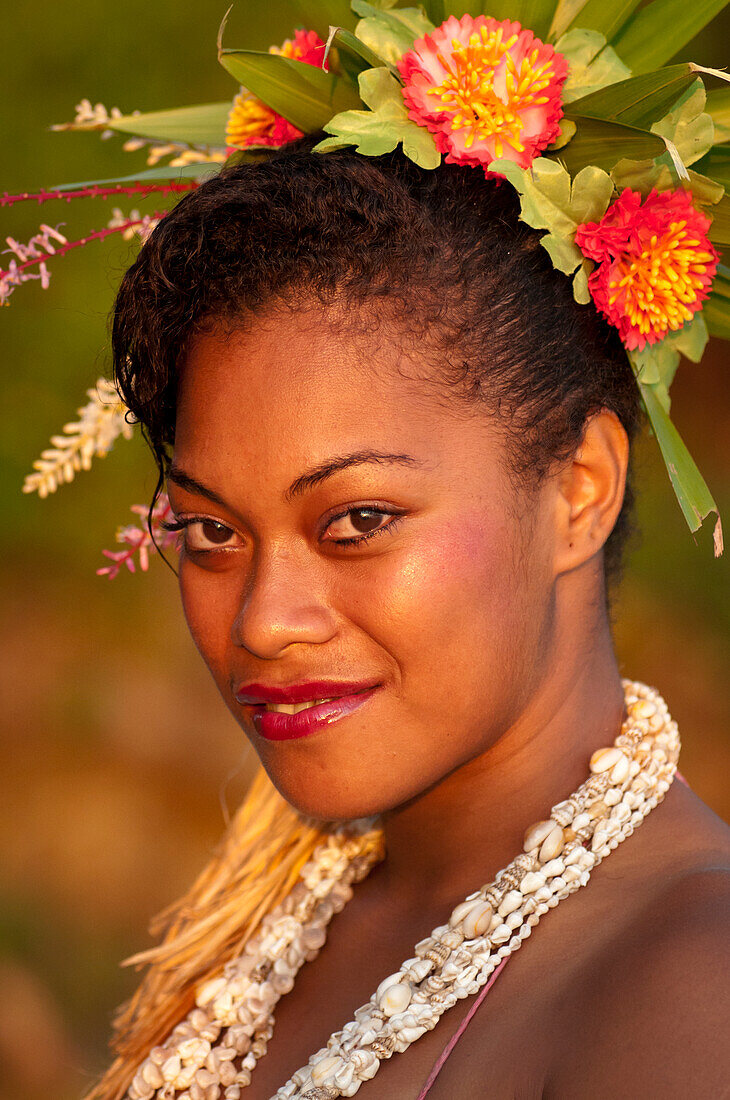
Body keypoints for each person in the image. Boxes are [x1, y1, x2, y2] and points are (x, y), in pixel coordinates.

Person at [83, 141, 730, 1100]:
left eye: (358, 521)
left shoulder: (690, 989)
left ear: (579, 489)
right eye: (212, 530)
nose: (265, 623)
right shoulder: (297, 918)